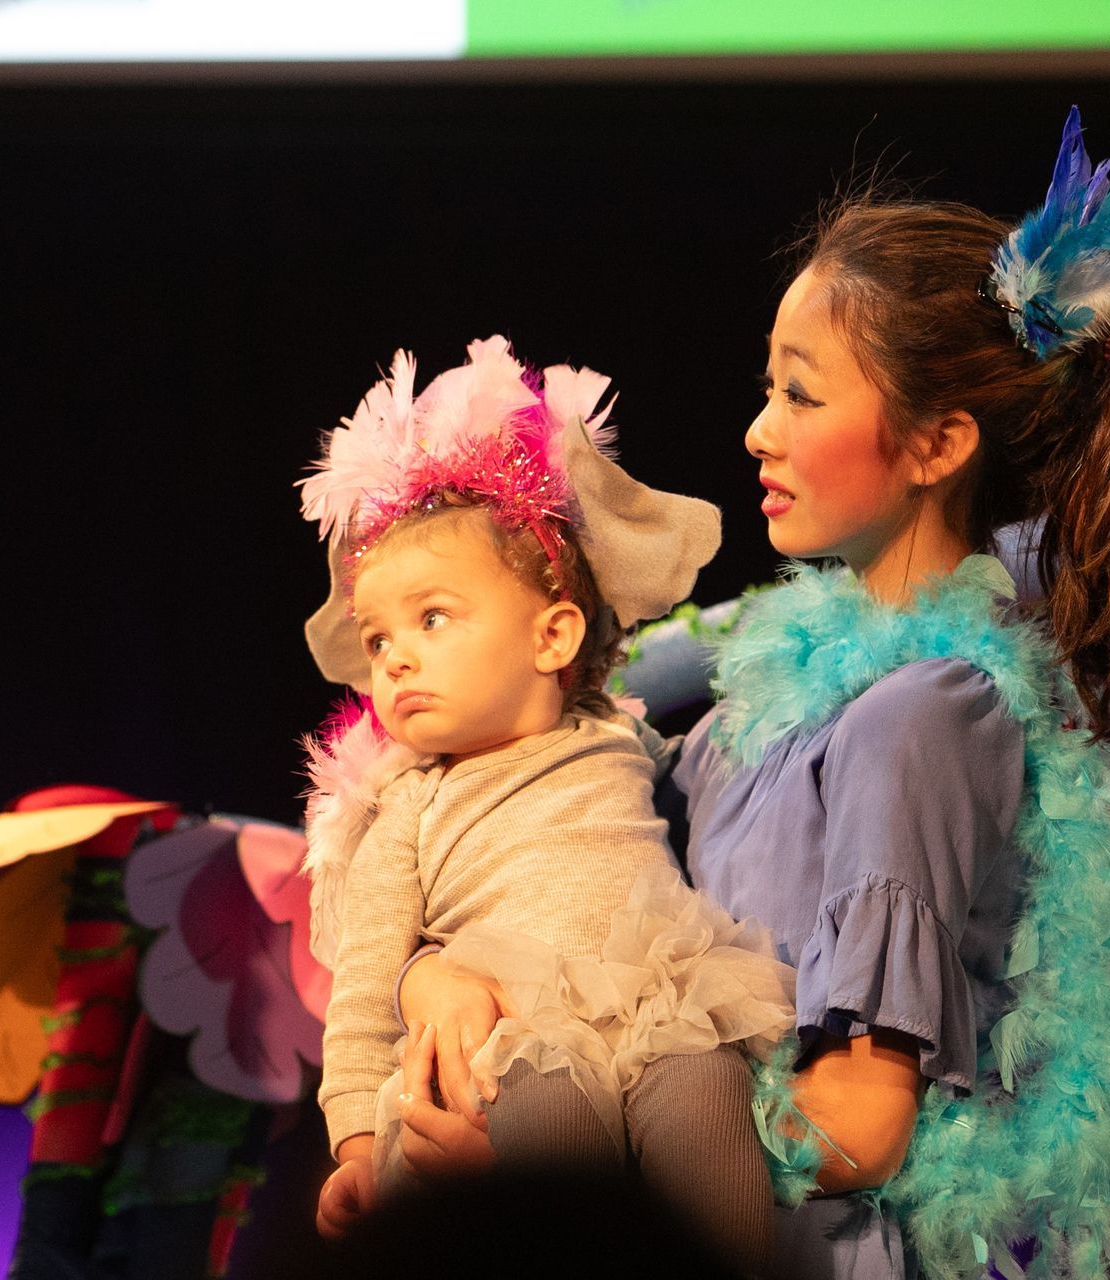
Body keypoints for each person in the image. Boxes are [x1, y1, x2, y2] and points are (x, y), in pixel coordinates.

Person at [397, 109, 1110, 1277]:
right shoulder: (757, 701)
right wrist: (443, 972)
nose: (756, 430)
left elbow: (858, 1119)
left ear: (938, 442)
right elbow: (580, 895)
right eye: (767, 388)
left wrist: (571, 1141)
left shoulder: (924, 714)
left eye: (801, 394)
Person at [297, 338, 795, 1273]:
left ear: (553, 632)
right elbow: (364, 990)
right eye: (377, 637)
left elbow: (722, 711)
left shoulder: (616, 737)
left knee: (704, 1091)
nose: (394, 656)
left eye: (432, 618)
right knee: (548, 1112)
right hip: (515, 1041)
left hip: (657, 1002)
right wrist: (357, 1149)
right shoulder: (409, 804)